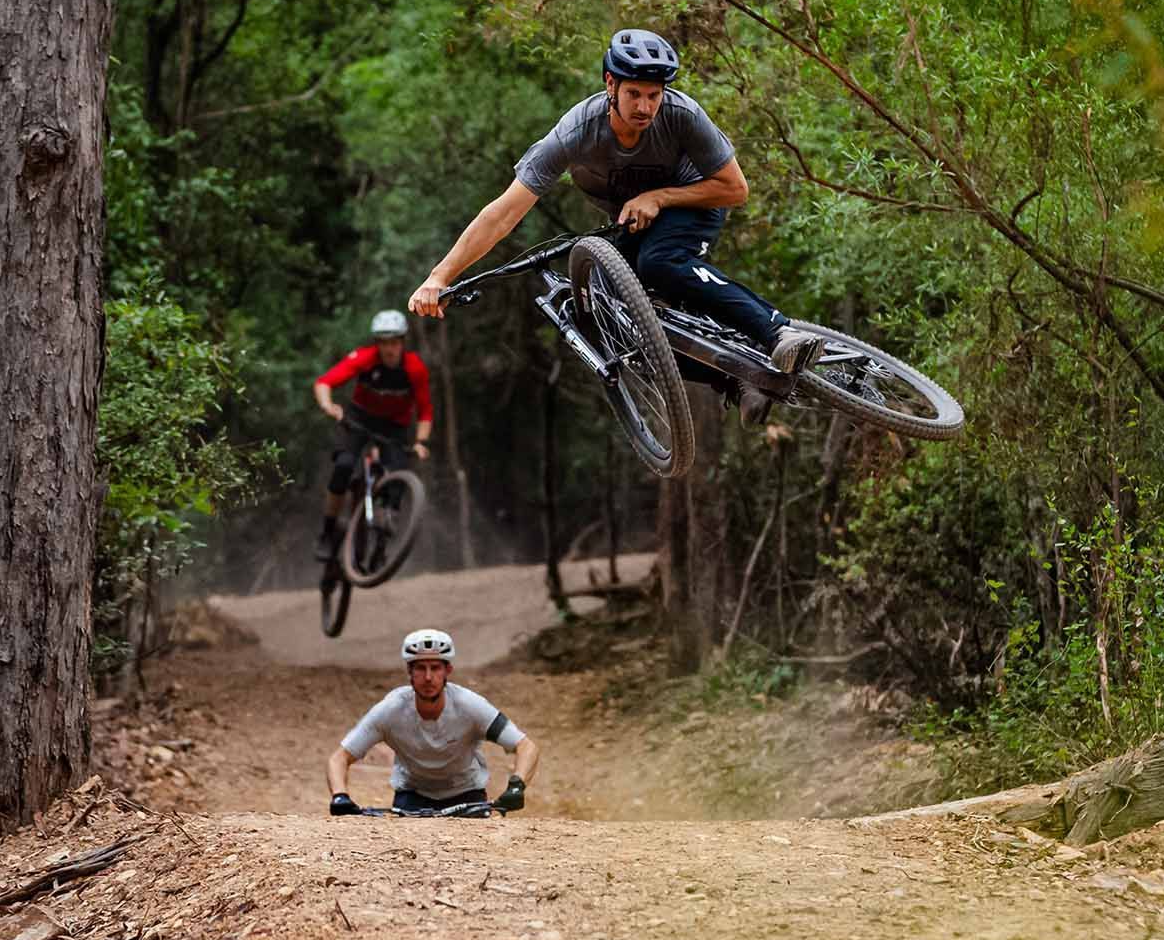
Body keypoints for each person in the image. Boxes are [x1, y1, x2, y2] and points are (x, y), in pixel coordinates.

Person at [407, 27, 823, 425]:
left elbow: (734, 189)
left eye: (653, 96)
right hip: (635, 222)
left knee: (662, 262)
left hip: (694, 200)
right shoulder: (576, 133)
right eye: (634, 94)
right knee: (605, 322)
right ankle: (736, 377)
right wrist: (440, 275)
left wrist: (660, 197)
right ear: (610, 84)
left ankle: (776, 332)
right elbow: (502, 213)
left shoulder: (680, 115)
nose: (644, 107)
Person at [327, 628, 540, 814]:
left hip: (467, 798)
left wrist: (516, 786)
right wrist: (340, 796)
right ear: (409, 671)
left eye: (435, 668)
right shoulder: (390, 710)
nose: (428, 677)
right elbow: (339, 758)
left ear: (448, 671)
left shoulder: (470, 706)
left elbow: (525, 746)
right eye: (420, 668)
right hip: (412, 799)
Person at [312, 310, 433, 561]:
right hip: (359, 420)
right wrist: (327, 405)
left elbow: (425, 411)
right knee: (343, 467)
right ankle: (327, 531)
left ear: (402, 342)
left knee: (398, 477)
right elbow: (324, 382)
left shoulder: (415, 368)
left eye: (395, 342)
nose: (390, 349)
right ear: (377, 344)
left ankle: (383, 536)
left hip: (394, 428)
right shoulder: (365, 358)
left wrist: (420, 442)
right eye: (384, 343)